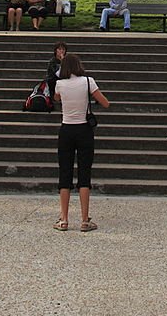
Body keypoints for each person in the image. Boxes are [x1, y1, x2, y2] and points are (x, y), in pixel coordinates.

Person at [54, 52, 110, 232]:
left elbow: (56, 98)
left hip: (66, 129)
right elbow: (105, 103)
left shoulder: (60, 84)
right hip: (84, 130)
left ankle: (63, 219)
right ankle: (85, 219)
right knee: (84, 173)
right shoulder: (88, 81)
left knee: (65, 172)